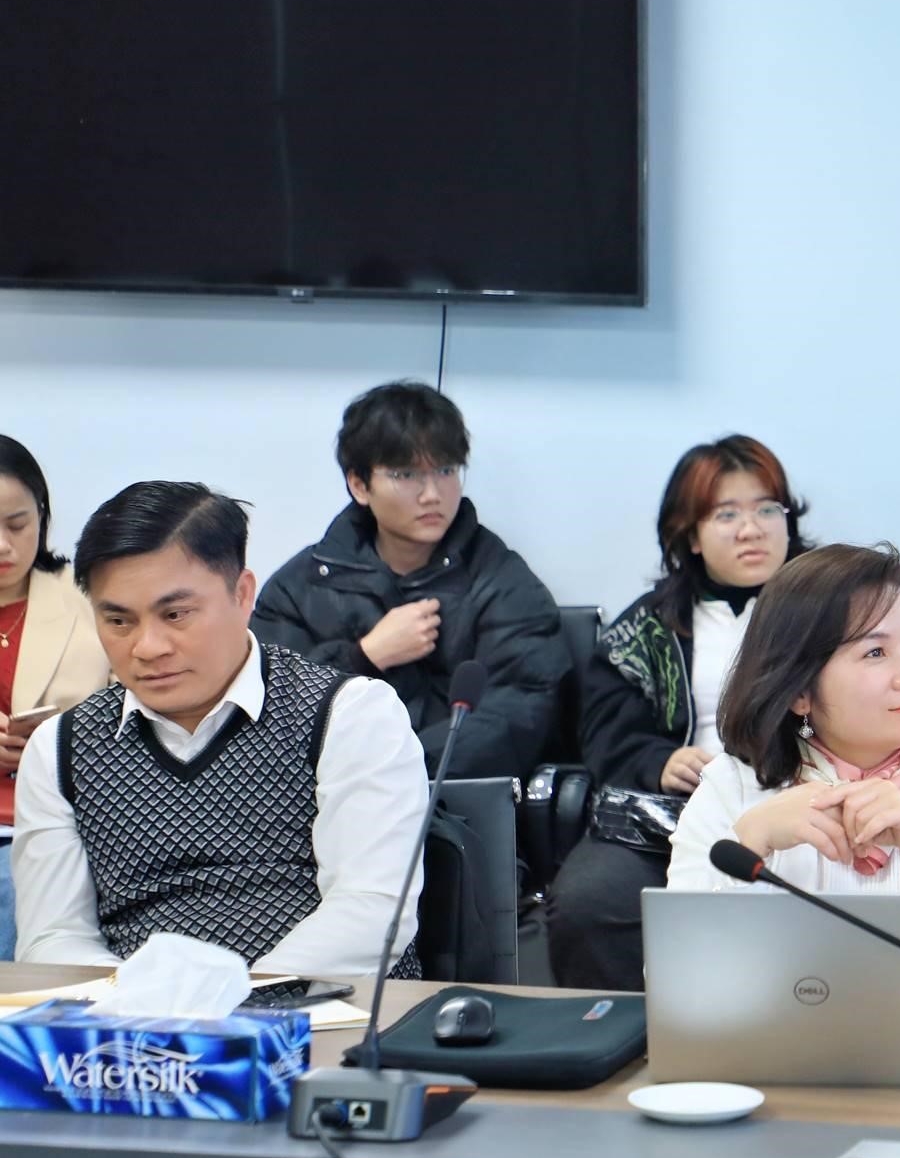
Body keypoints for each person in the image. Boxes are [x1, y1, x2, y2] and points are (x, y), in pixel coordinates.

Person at [12, 482, 428, 976]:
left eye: (175, 614)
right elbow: (54, 936)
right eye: (119, 621)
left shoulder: (349, 714)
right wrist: (142, 1004)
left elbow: (371, 910)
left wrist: (235, 999)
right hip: (135, 1015)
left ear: (242, 593)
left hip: (326, 1006)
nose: (148, 647)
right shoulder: (60, 749)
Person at [546, 435, 813, 989]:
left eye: (768, 509)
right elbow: (605, 728)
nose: (751, 529)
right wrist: (659, 761)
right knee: (590, 901)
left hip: (807, 798)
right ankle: (621, 1032)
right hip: (678, 811)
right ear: (690, 535)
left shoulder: (831, 608)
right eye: (727, 514)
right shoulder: (651, 623)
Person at [667, 544, 900, 923]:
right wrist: (750, 840)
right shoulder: (728, 790)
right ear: (799, 691)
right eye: (875, 652)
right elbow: (680, 956)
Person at [252, 380, 563, 781]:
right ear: (359, 485)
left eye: (446, 470)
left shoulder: (502, 580)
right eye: (407, 474)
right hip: (325, 793)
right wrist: (362, 658)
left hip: (450, 798)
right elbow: (269, 707)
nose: (432, 494)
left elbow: (522, 710)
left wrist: (401, 774)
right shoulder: (300, 587)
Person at [0, 437, 111, 960]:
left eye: (17, 525)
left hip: (61, 821)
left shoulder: (89, 597)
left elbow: (144, 707)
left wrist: (57, 744)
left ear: (42, 517)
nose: (3, 546)